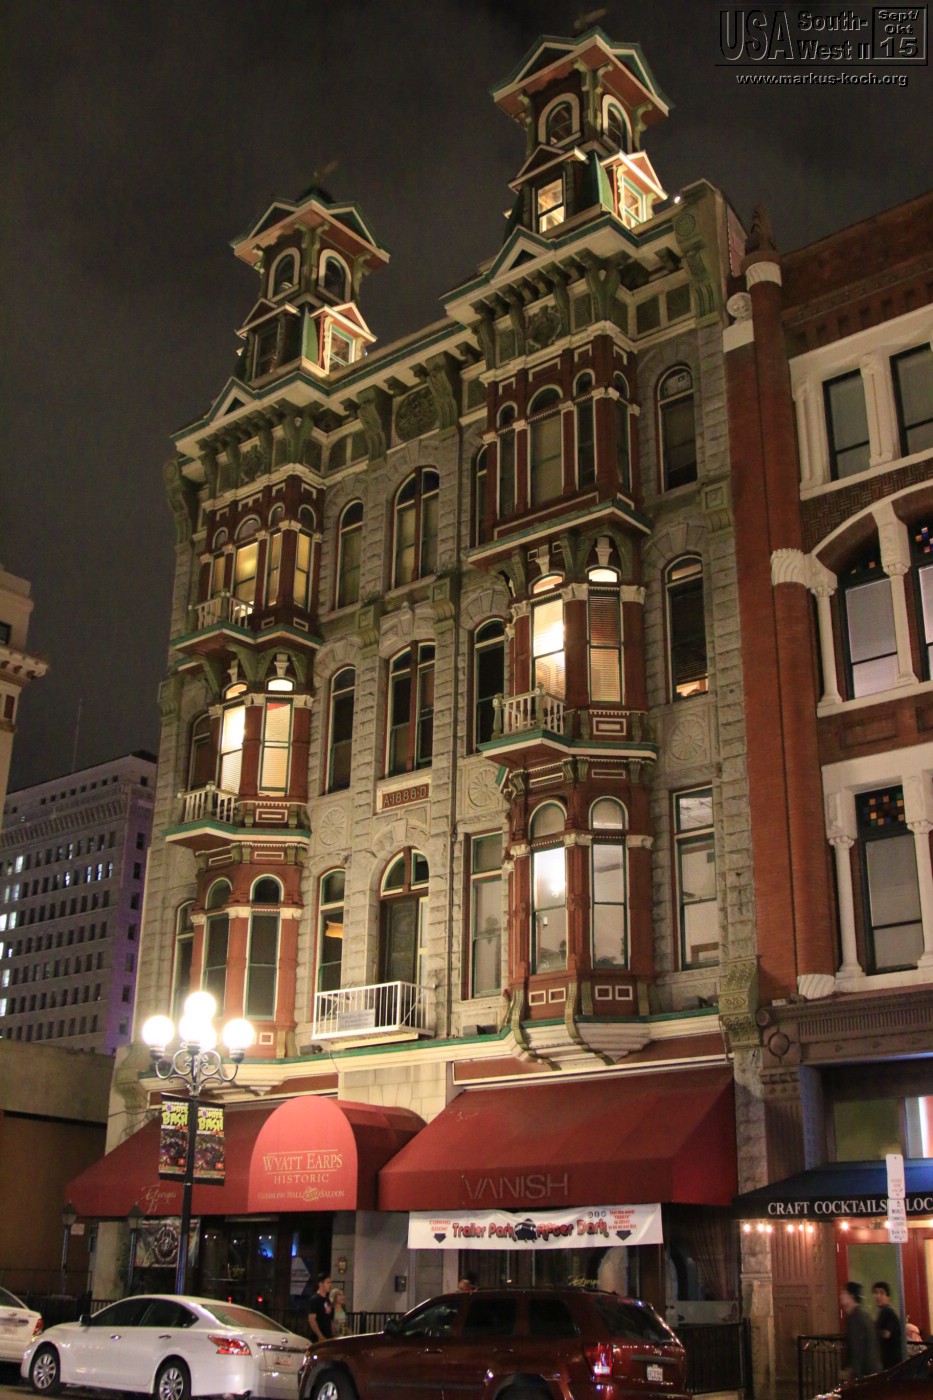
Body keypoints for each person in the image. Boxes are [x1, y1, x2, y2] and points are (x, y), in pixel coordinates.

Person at [840, 1281, 882, 1381]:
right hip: (873, 1370)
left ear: (851, 1296)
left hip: (865, 1373)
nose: (840, 1296)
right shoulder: (865, 1315)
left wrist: (850, 1371)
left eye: (843, 1293)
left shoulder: (854, 1318)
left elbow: (857, 1347)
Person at [872, 1281, 902, 1370]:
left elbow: (887, 1334)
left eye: (881, 1293)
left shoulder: (887, 1312)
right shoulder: (883, 1312)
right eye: (876, 1293)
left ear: (888, 1297)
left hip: (891, 1361)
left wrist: (873, 1330)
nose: (878, 1296)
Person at [308, 1272, 334, 1343]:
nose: (330, 1285)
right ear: (320, 1284)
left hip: (328, 1336)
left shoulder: (328, 1299)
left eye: (330, 1283)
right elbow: (312, 1319)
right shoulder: (315, 1299)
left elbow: (330, 1319)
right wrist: (320, 1335)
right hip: (318, 1338)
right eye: (327, 1283)